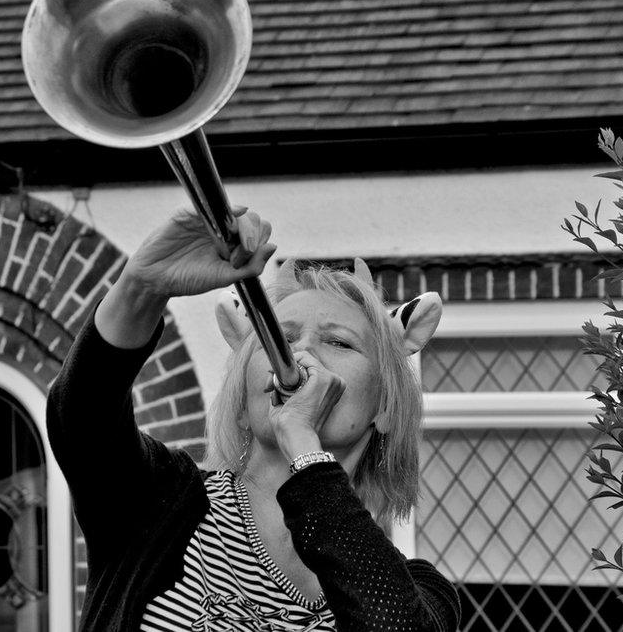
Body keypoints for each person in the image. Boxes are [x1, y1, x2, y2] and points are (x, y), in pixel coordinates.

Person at [46, 207, 461, 631]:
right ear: (244, 401)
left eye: (339, 342)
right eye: (280, 338)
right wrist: (140, 286)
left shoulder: (418, 590)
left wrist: (303, 444)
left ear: (386, 409)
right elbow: (82, 417)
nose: (302, 352)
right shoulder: (160, 500)